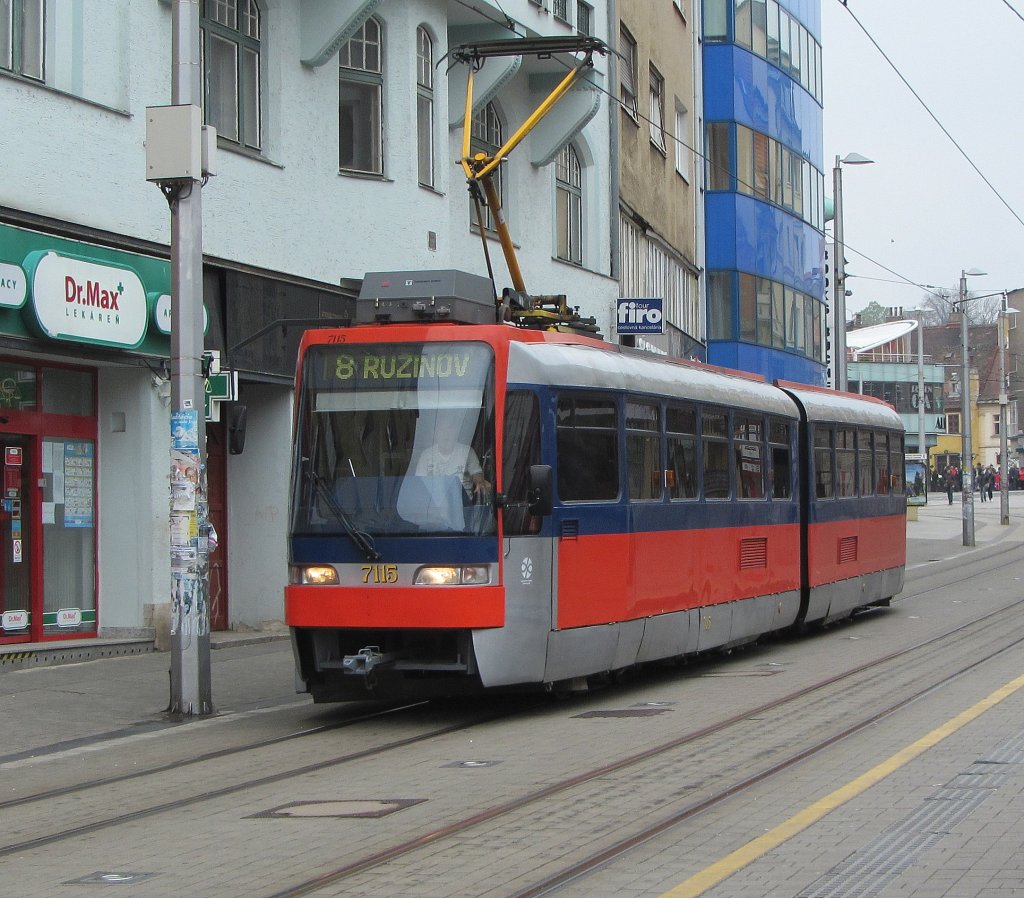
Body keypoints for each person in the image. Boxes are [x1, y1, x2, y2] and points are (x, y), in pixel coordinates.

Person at [415, 416, 491, 500]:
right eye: (442, 430)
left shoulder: (467, 452)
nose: (446, 434)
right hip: (433, 506)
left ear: (456, 433)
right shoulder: (426, 455)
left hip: (463, 505)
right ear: (436, 433)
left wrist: (480, 482)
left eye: (449, 430)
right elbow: (419, 483)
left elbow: (477, 474)